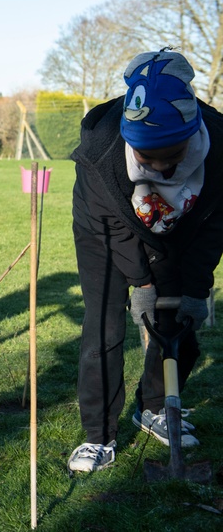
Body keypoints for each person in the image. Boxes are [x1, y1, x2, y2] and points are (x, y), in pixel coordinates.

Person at [67, 48, 222, 472]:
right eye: (145, 158)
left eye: (170, 158)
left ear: (192, 135)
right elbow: (116, 231)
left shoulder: (220, 147)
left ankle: (155, 408)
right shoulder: (101, 150)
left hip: (184, 225)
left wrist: (194, 288)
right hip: (106, 226)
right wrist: (143, 283)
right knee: (104, 323)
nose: (157, 167)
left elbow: (214, 225)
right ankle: (98, 435)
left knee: (179, 318)